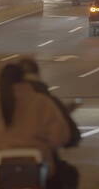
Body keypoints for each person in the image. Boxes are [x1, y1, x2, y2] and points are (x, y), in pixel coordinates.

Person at [0, 64, 74, 189]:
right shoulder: (43, 102)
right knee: (68, 176)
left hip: (0, 170)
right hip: (39, 168)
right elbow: (60, 136)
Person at [18, 58, 80, 188]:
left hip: (2, 168)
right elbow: (70, 136)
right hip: (42, 164)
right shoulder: (47, 102)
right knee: (69, 176)